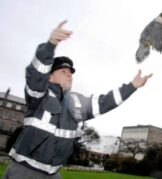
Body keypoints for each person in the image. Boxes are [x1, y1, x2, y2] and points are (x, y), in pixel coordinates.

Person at [2, 20, 152, 179]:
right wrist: (50, 45)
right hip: (24, 171)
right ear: (50, 76)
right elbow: (36, 73)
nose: (69, 74)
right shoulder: (39, 95)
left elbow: (104, 102)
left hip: (53, 173)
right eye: (64, 71)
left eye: (71, 73)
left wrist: (132, 86)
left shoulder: (77, 102)